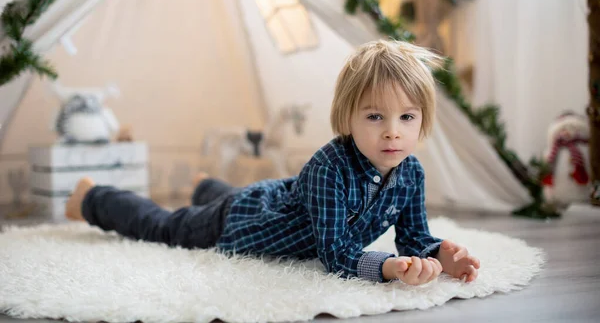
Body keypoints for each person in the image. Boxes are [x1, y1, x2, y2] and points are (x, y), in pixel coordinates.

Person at [66, 39, 480, 285]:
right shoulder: (328, 167)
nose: (393, 132)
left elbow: (413, 236)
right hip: (240, 220)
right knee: (165, 227)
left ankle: (206, 183)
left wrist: (438, 255)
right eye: (375, 116)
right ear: (347, 117)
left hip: (277, 200)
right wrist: (387, 268)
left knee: (251, 197)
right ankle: (92, 197)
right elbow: (335, 252)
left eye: (407, 117)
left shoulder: (411, 173)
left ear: (423, 118)